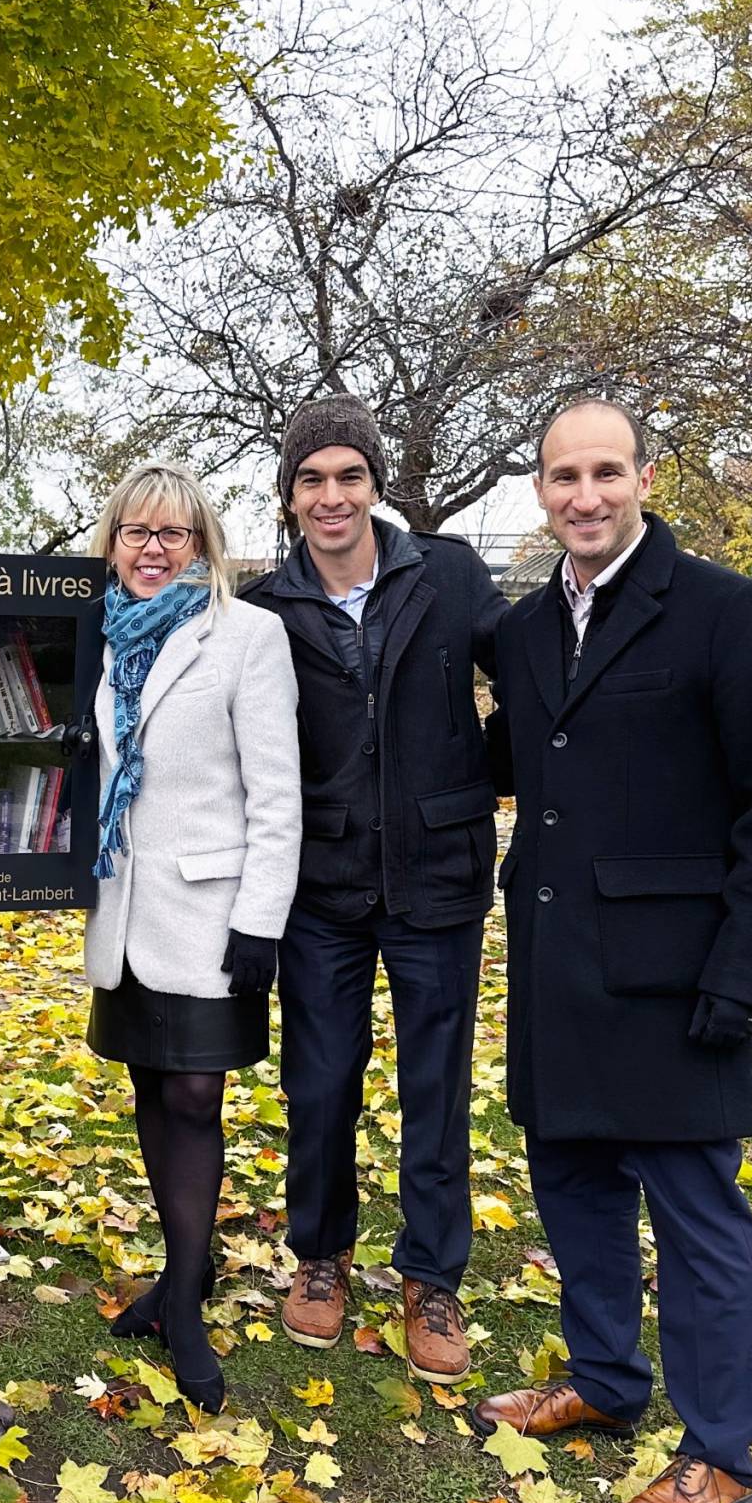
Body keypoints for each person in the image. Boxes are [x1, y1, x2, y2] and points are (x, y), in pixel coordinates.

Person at [478, 398, 752, 1503]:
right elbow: (513, 763)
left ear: (643, 478)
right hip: (557, 967)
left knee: (695, 1220)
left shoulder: (727, 612)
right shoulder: (524, 631)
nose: (585, 496)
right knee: (573, 1189)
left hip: (679, 983)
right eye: (563, 476)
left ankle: (718, 1455)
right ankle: (605, 1380)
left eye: (605, 472)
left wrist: (744, 974)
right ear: (539, 490)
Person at [239, 395, 505, 1382]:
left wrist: (480, 773)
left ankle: (432, 1276)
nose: (331, 495)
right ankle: (321, 1253)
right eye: (311, 479)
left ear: (375, 484)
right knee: (318, 1083)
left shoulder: (447, 574)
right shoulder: (265, 607)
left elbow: (529, 677)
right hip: (324, 882)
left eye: (349, 475)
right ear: (289, 495)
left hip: (437, 878)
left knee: (436, 1085)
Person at [85, 463, 301, 1410]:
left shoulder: (247, 635)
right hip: (127, 908)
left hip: (211, 910)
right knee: (150, 1084)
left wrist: (260, 918)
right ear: (113, 542)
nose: (154, 550)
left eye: (173, 533)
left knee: (195, 1093)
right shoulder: (99, 636)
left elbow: (276, 789)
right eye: (137, 531)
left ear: (202, 544)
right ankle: (185, 1272)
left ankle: (183, 1305)